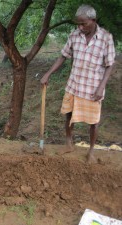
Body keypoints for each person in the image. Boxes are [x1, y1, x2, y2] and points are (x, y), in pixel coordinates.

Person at [40, 4, 115, 162]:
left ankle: (91, 152)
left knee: (94, 122)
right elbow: (63, 56)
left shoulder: (106, 38)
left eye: (84, 24)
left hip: (93, 88)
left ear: (93, 20)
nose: (80, 27)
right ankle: (69, 144)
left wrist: (101, 87)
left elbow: (109, 65)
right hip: (74, 84)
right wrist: (48, 73)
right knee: (68, 115)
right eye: (78, 24)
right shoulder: (75, 35)